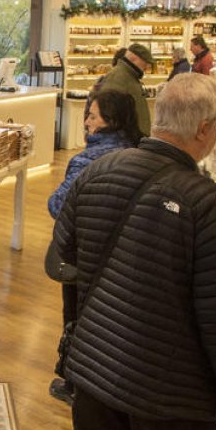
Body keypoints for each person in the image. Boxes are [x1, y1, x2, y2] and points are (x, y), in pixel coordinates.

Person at [52, 73, 216, 430]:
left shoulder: (97, 171)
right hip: (173, 396)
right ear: (204, 129)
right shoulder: (210, 204)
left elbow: (61, 258)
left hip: (95, 372)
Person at [45, 89, 143, 405]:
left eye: (92, 115)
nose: (86, 121)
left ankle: (74, 384)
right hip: (125, 259)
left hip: (85, 256)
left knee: (76, 316)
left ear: (107, 122)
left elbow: (58, 205)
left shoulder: (86, 160)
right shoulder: (141, 153)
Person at [93, 42, 152, 136]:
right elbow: (109, 113)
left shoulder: (130, 76)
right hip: (125, 141)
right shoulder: (118, 77)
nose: (147, 67)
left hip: (133, 140)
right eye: (145, 62)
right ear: (133, 59)